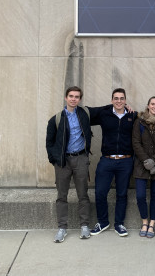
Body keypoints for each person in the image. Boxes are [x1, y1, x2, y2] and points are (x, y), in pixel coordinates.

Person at [88, 88, 137, 237]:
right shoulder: (105, 114)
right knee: (100, 192)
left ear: (125, 100)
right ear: (111, 100)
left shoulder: (132, 116)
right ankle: (103, 222)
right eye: (116, 98)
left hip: (126, 161)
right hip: (107, 160)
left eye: (122, 98)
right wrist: (108, 108)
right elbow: (87, 113)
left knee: (122, 194)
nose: (119, 101)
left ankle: (119, 224)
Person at [46, 86, 92, 243]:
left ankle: (85, 226)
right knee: (62, 196)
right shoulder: (56, 119)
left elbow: (106, 110)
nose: (74, 99)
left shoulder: (84, 114)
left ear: (80, 99)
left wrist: (125, 106)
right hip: (62, 162)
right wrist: (55, 160)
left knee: (83, 194)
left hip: (80, 158)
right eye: (71, 96)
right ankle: (62, 228)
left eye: (77, 96)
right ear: (66, 98)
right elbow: (49, 142)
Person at [132, 96, 155, 238]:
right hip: (141, 165)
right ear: (148, 105)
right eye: (152, 104)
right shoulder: (139, 122)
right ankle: (144, 222)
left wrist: (154, 160)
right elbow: (136, 143)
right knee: (141, 195)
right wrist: (146, 161)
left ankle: (152, 224)